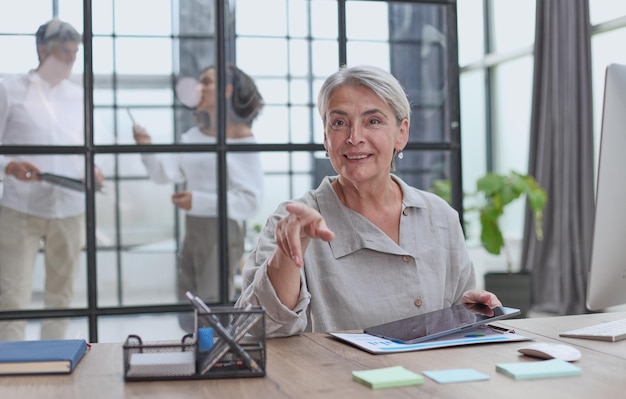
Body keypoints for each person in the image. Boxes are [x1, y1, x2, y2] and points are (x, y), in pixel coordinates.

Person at [235, 65, 501, 338]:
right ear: (326, 137)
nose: (354, 137)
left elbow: (459, 319)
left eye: (373, 121)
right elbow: (256, 328)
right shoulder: (291, 221)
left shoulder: (439, 215)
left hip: (431, 378)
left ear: (402, 133)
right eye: (339, 123)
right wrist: (287, 257)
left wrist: (474, 311)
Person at [132, 64, 264, 333]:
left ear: (227, 90)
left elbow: (250, 201)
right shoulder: (193, 136)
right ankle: (199, 363)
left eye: (207, 82)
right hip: (193, 229)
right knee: (189, 305)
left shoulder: (241, 140)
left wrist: (199, 200)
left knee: (211, 308)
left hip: (221, 231)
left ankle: (216, 364)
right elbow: (162, 174)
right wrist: (145, 147)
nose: (198, 88)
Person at [0, 18, 104, 340]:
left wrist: (94, 169)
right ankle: (10, 369)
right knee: (11, 295)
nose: (71, 59)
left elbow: (87, 146)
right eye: (64, 52)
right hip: (20, 207)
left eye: (75, 52)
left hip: (69, 208)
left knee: (61, 296)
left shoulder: (78, 95)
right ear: (42, 50)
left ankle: (55, 362)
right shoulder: (8, 88)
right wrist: (9, 166)